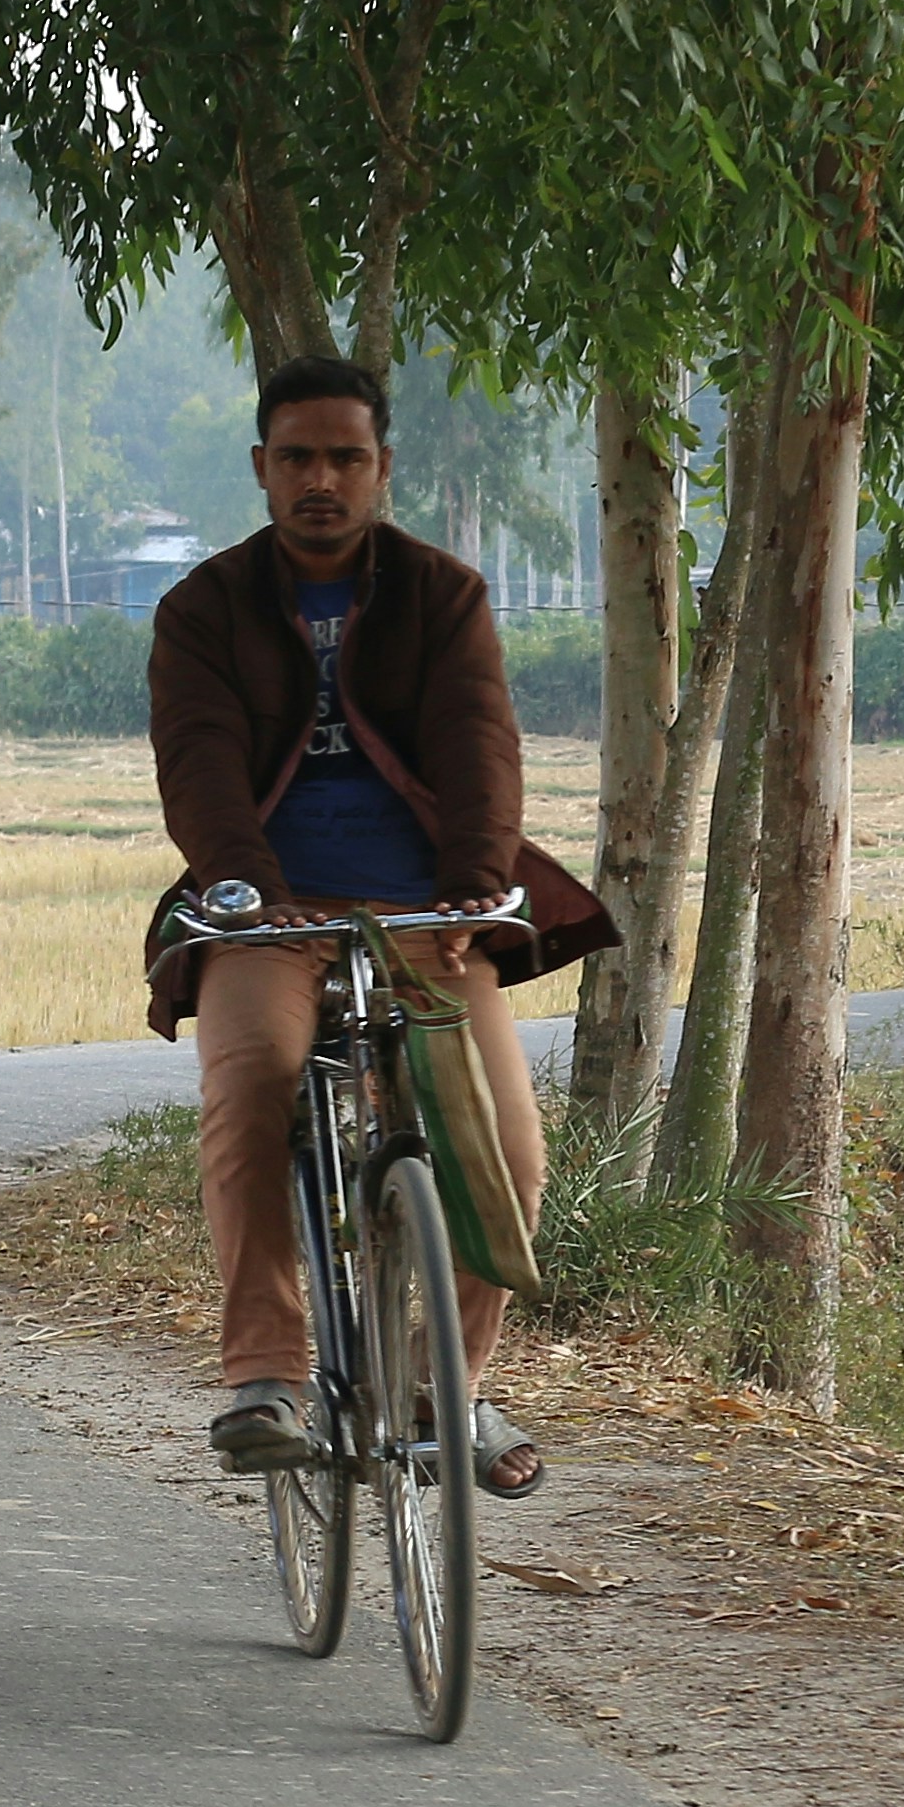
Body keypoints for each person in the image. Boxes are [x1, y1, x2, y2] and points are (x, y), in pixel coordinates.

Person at [142, 358, 610, 1494]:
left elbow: (479, 747)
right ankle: (266, 1372)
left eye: (345, 458)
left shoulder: (441, 594)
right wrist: (248, 889)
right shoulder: (202, 607)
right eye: (297, 457)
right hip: (269, 918)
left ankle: (438, 1385)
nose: (321, 479)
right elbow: (198, 769)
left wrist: (472, 885)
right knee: (253, 1082)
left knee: (504, 1146)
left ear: (381, 470)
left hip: (428, 918)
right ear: (262, 469)